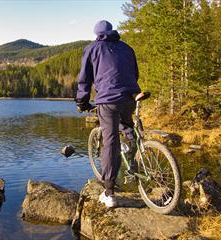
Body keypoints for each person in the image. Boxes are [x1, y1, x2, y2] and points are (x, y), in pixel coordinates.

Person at [75, 20, 141, 208]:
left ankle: (109, 193)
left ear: (97, 34)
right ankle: (132, 161)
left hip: (108, 100)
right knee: (128, 128)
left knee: (110, 142)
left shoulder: (92, 48)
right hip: (129, 96)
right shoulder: (127, 48)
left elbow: (84, 79)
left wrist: (82, 101)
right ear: (112, 31)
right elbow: (135, 74)